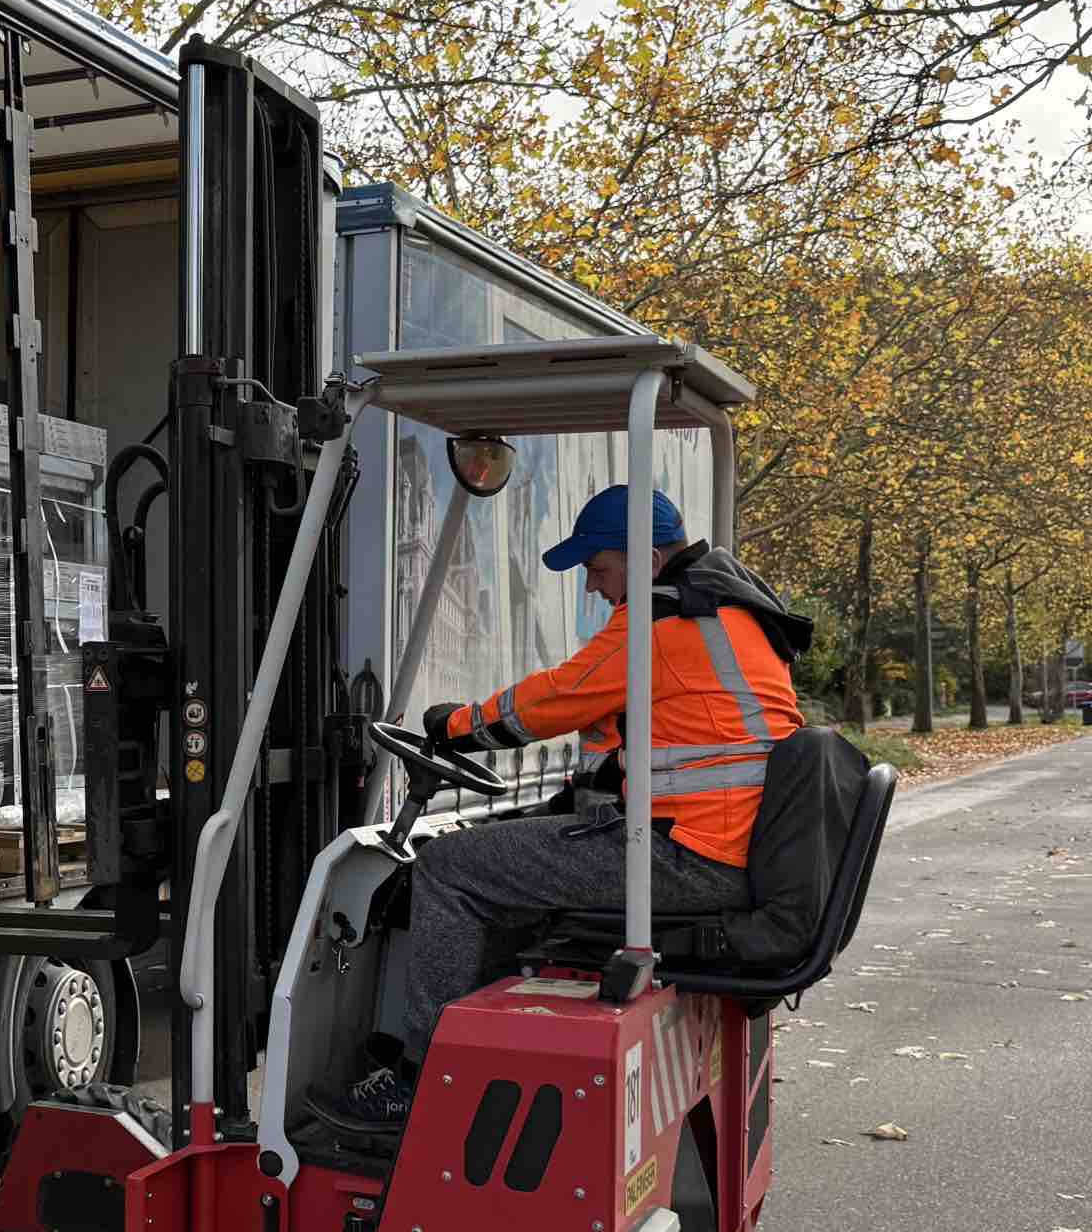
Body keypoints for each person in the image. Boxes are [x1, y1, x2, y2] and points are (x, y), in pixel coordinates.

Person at [313, 483, 811, 1135]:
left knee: (446, 869)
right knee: (501, 851)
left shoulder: (662, 621)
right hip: (717, 844)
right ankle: (472, 1048)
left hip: (685, 855)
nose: (596, 589)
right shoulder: (723, 614)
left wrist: (453, 724)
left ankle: (421, 1082)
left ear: (642, 557)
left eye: (599, 570)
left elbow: (550, 701)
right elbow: (630, 730)